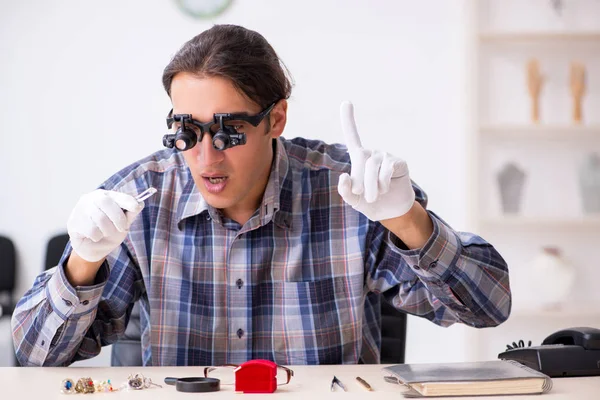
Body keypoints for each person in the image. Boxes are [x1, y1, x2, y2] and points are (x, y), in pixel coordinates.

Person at [12, 24, 511, 367]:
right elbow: (33, 356)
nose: (206, 158)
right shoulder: (139, 200)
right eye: (187, 132)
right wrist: (82, 262)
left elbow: (489, 307)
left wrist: (408, 221)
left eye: (228, 132)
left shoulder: (351, 193)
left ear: (276, 119)